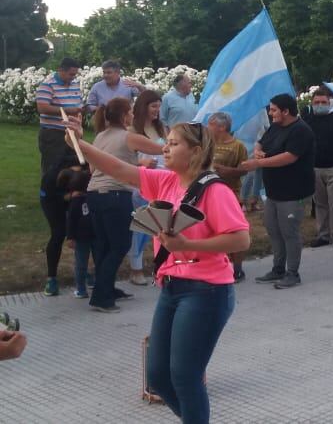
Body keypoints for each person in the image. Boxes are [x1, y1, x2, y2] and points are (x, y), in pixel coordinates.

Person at [64, 117, 250, 423]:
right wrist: (78, 143)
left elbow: (241, 238)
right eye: (167, 142)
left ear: (196, 150)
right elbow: (120, 169)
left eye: (174, 144)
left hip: (206, 291)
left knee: (185, 377)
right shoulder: (166, 181)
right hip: (171, 287)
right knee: (158, 377)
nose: (165, 148)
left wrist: (187, 244)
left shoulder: (215, 191)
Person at [86, 98, 165, 311]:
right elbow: (160, 149)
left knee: (104, 245)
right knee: (120, 245)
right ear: (123, 116)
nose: (132, 115)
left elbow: (92, 169)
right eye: (130, 112)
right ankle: (102, 297)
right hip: (115, 195)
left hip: (94, 194)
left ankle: (107, 288)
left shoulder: (100, 136)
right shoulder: (128, 137)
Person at [241, 94, 315, 290]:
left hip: (294, 191)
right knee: (273, 229)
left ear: (286, 111)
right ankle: (278, 268)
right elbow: (261, 142)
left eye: (274, 110)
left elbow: (289, 157)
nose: (270, 113)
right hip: (273, 191)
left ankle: (293, 273)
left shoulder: (300, 130)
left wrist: (257, 163)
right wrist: (257, 151)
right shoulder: (275, 126)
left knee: (289, 231)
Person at [303, 87, 333, 250]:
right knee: (320, 203)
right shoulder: (307, 120)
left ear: (329, 103)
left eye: (323, 102)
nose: (320, 105)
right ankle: (323, 234)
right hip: (314, 167)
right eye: (317, 102)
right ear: (312, 103)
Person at [128, 89, 167, 286]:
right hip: (142, 183)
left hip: (163, 181)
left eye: (159, 106)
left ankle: (162, 267)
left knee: (162, 227)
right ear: (143, 107)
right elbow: (123, 159)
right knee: (142, 226)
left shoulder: (162, 129)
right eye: (153, 106)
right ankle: (136, 268)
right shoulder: (132, 131)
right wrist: (141, 162)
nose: (157, 110)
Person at [206, 111, 249, 281]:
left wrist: (227, 171)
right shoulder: (206, 144)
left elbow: (244, 169)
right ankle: (218, 265)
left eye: (211, 124)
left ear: (222, 127)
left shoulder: (237, 146)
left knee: (234, 232)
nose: (207, 127)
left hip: (231, 195)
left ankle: (237, 269)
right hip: (209, 194)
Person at [40, 153, 82, 296]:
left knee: (82, 232)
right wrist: (68, 196)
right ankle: (51, 278)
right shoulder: (51, 178)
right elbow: (50, 198)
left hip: (74, 198)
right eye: (73, 174)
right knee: (58, 233)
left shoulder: (83, 170)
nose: (76, 177)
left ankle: (81, 271)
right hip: (52, 201)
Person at [35, 57, 83, 175]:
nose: (73, 77)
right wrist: (67, 110)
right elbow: (42, 108)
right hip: (54, 134)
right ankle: (49, 192)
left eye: (75, 74)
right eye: (71, 74)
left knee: (74, 167)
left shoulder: (75, 84)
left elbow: (78, 103)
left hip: (73, 133)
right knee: (53, 167)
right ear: (61, 70)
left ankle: (67, 192)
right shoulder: (47, 85)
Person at [60, 167, 95, 298]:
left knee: (81, 264)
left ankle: (81, 289)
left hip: (81, 237)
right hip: (95, 235)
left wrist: (70, 237)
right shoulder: (94, 197)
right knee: (98, 261)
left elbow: (71, 220)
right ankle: (95, 285)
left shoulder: (75, 202)